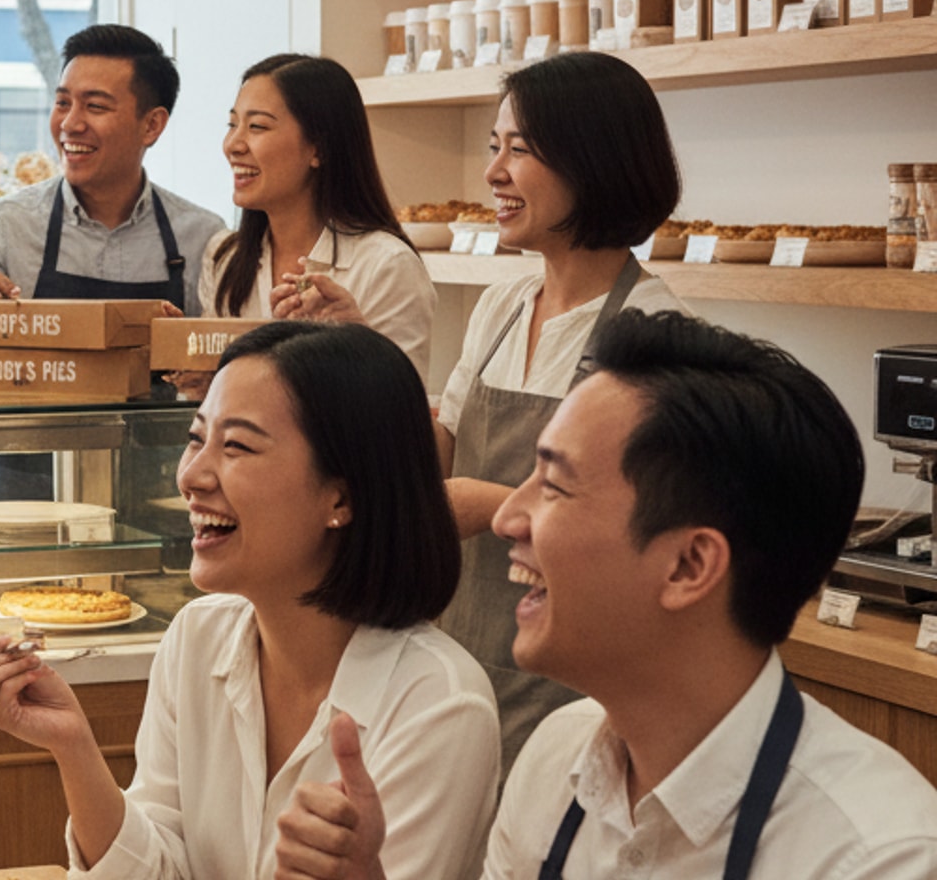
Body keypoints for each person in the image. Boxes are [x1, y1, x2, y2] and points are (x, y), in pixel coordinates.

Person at [276, 310, 937, 879]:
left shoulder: (876, 855)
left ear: (689, 565)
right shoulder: (557, 757)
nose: (507, 518)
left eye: (555, 487)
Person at [0, 321, 498, 880]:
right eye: (196, 438)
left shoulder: (441, 706)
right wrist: (73, 747)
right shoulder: (198, 637)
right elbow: (162, 869)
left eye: (237, 446)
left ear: (341, 496)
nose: (192, 476)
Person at [296, 51, 685, 773]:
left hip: (581, 681)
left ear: (592, 160)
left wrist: (494, 505)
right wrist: (361, 352)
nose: (494, 173)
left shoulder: (654, 328)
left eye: (520, 150)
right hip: (466, 651)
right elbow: (435, 458)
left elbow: (644, 531)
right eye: (493, 147)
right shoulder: (504, 307)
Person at [0, 24, 228, 499]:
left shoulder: (203, 237)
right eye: (63, 102)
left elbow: (231, 378)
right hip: (24, 498)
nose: (70, 123)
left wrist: (209, 373)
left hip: (162, 495)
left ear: (152, 125)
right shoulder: (2, 227)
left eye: (95, 106)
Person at [191, 54, 433, 393]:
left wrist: (356, 344)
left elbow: (402, 419)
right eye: (232, 125)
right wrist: (196, 375)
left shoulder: (386, 265)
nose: (233, 145)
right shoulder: (224, 256)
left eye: (257, 126)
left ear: (318, 148)